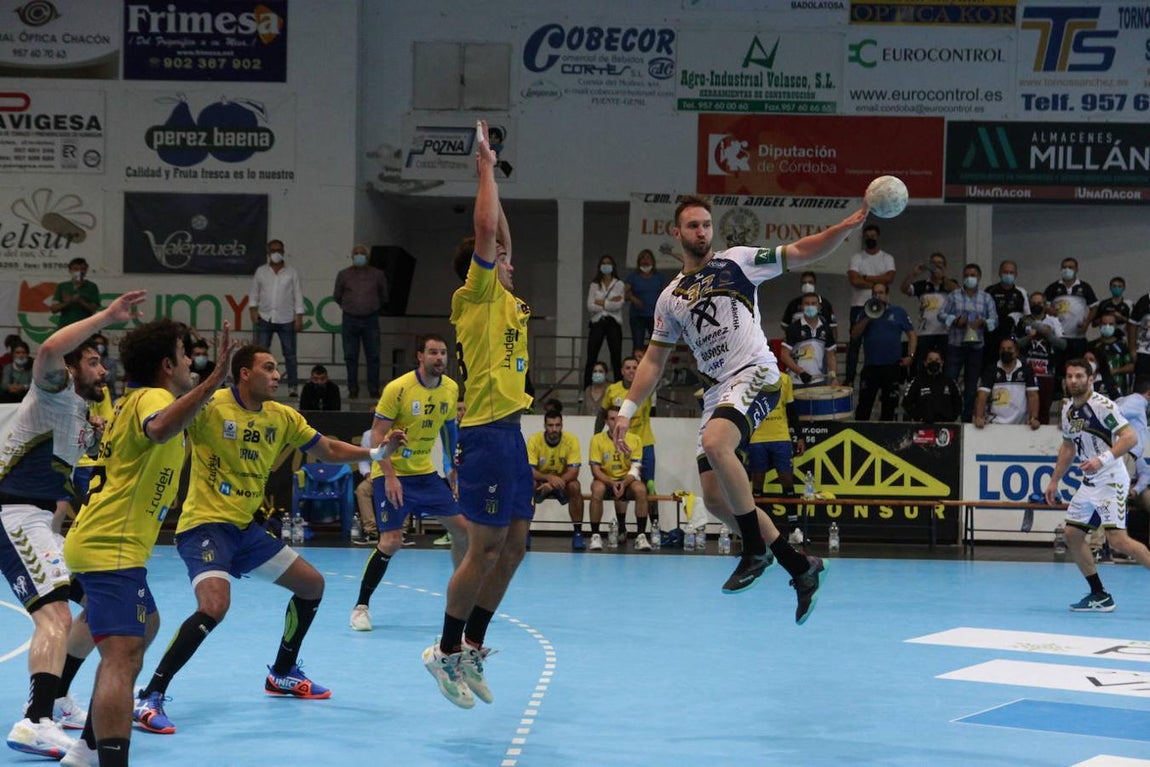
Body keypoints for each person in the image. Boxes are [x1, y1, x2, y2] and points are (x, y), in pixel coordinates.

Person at [614, 194, 867, 623]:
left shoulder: (737, 262)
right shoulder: (670, 297)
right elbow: (654, 361)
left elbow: (803, 249)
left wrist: (841, 230)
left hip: (755, 372)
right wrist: (625, 409)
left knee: (716, 443)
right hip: (717, 392)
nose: (701, 232)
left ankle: (753, 549)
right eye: (692, 225)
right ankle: (800, 567)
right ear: (676, 233)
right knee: (715, 500)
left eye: (706, 224)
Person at [130, 345, 404, 734]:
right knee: (214, 606)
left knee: (312, 586)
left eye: (277, 369)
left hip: (245, 530)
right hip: (204, 526)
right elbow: (166, 424)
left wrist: (376, 452)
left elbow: (326, 448)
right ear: (243, 373)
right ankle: (151, 694)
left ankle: (282, 672)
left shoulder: (282, 416)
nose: (277, 376)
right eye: (269, 368)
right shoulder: (211, 406)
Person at [60, 319, 233, 767]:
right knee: (121, 656)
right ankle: (105, 758)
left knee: (147, 627)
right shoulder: (155, 399)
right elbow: (160, 429)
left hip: (110, 544)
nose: (191, 363)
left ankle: (84, 746)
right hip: (109, 545)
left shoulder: (129, 401)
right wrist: (214, 382)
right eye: (185, 355)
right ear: (165, 364)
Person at [1, 290, 146, 759]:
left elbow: (65, 486)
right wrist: (106, 315)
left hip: (43, 518)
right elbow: (46, 351)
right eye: (93, 362)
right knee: (55, 615)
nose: (103, 370)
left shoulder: (86, 414)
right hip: (15, 512)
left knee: (87, 600)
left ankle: (58, 696)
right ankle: (34, 720)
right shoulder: (53, 389)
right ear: (72, 368)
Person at [422, 120, 533, 710]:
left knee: (515, 546)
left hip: (513, 434)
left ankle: (471, 643)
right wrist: (485, 167)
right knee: (482, 549)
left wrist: (497, 182)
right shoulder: (477, 296)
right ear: (484, 267)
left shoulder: (511, 302)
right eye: (500, 258)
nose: (509, 261)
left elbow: (502, 233)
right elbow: (487, 229)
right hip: (486, 434)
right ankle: (442, 650)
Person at [349, 333, 466, 633]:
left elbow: (449, 430)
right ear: (420, 356)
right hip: (393, 472)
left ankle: (462, 593)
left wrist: (452, 467)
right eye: (433, 353)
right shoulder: (398, 389)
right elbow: (377, 437)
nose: (439, 358)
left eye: (443, 353)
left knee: (464, 532)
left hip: (425, 474)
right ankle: (361, 607)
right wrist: (388, 475)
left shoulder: (451, 389)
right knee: (391, 541)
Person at [1045, 358, 1150, 612]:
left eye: (1079, 376)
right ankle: (1099, 594)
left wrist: (1101, 459)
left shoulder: (1103, 406)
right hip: (1090, 482)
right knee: (1072, 534)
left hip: (1111, 478)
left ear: (1090, 379)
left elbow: (1130, 437)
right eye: (1070, 376)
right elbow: (1068, 448)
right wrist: (1054, 479)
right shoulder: (1068, 409)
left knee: (1118, 541)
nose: (1074, 381)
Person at [939, 263, 998, 422]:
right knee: (950, 382)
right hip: (955, 345)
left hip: (976, 348)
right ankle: (948, 418)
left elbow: (995, 320)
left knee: (971, 386)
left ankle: (966, 419)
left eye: (973, 275)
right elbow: (941, 314)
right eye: (966, 275)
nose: (969, 278)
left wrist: (983, 322)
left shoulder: (986, 298)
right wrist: (955, 320)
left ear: (979, 277)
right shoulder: (954, 295)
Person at [744, 372, 804, 525]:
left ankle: (794, 529)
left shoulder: (784, 379)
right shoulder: (749, 378)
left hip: (781, 437)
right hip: (757, 438)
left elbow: (791, 410)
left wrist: (800, 436)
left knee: (787, 480)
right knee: (757, 482)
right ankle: (758, 529)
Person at [851, 283, 916, 422]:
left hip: (892, 366)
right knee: (864, 406)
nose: (877, 296)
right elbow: (854, 335)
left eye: (880, 293)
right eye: (875, 293)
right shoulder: (864, 312)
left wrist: (910, 356)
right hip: (871, 366)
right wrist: (869, 316)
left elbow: (912, 334)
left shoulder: (898, 311)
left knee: (889, 406)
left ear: (887, 295)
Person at [248, 239, 304, 397]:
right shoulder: (261, 271)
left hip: (286, 318)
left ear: (284, 252)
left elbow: (298, 295)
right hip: (265, 317)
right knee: (260, 355)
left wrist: (299, 316)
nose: (276, 253)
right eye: (273, 250)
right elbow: (254, 292)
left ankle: (293, 387)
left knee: (290, 354)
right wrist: (253, 309)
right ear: (268, 253)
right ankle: (258, 385)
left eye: (279, 250)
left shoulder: (291, 272)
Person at [589, 405, 648, 550]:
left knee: (641, 489)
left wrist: (623, 482)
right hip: (605, 480)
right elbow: (595, 470)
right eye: (611, 419)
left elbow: (636, 467)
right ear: (606, 421)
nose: (615, 423)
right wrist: (611, 482)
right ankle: (595, 536)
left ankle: (641, 536)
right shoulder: (597, 440)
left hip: (627, 480)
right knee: (596, 489)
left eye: (618, 419)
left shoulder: (635, 439)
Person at [333, 243, 388, 399]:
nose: (359, 255)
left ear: (367, 256)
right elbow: (337, 295)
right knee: (350, 356)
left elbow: (384, 296)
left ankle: (373, 390)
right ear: (352, 256)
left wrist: (372, 306)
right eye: (356, 253)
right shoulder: (343, 275)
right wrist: (349, 306)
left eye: (362, 253)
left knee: (374, 356)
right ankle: (353, 389)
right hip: (350, 318)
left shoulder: (378, 274)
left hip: (371, 318)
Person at [844, 223, 895, 386]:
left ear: (877, 237)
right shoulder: (856, 258)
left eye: (873, 236)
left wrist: (866, 278)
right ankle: (850, 378)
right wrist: (878, 280)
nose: (870, 238)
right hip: (859, 305)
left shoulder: (887, 258)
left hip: (881, 306)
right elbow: (854, 280)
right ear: (863, 238)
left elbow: (890, 279)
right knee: (854, 344)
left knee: (876, 341)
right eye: (867, 236)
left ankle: (873, 376)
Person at [527, 403, 584, 550]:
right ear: (545, 426)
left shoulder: (571, 440)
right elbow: (529, 470)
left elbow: (573, 472)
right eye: (550, 425)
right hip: (540, 483)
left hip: (562, 483)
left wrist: (553, 483)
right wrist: (548, 478)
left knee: (575, 486)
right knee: (527, 485)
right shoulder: (534, 440)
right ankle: (525, 533)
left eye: (557, 425)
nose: (554, 429)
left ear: (562, 425)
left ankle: (578, 533)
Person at [900, 251, 955, 372]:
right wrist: (913, 274)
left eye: (940, 263)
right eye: (934, 263)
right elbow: (904, 289)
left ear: (945, 267)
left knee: (946, 366)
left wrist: (942, 278)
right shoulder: (922, 285)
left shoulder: (950, 284)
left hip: (945, 333)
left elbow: (958, 292)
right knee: (923, 365)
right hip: (925, 333)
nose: (937, 266)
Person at [1017, 292, 1066, 424]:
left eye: (1039, 303)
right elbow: (1014, 344)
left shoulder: (1053, 321)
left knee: (1044, 409)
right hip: (1027, 371)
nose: (1036, 306)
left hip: (1046, 372)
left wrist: (1049, 335)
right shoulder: (1023, 321)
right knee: (1025, 408)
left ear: (1045, 305)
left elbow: (1063, 345)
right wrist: (1030, 337)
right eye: (1033, 303)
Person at [973, 337, 1040, 429]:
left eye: (1009, 349)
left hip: (1021, 426)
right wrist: (979, 417)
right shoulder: (990, 370)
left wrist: (1033, 418)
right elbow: (982, 395)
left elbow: (1033, 396)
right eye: (1003, 349)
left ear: (1016, 352)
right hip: (994, 425)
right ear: (999, 352)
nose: (1006, 351)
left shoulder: (1027, 370)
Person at [1044, 257, 1097, 366]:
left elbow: (1094, 307)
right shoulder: (1053, 287)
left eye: (1070, 267)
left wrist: (1087, 323)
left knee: (1078, 366)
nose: (1066, 270)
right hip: (1058, 337)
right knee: (1058, 368)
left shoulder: (1085, 287)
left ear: (1076, 269)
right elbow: (1044, 307)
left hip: (1078, 337)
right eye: (1064, 267)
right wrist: (1049, 311)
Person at [583, 253, 626, 386]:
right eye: (603, 263)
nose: (606, 266)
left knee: (616, 356)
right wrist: (609, 302)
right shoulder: (594, 285)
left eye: (608, 263)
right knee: (591, 356)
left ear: (613, 266)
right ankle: (586, 388)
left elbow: (618, 305)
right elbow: (590, 306)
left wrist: (601, 302)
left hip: (613, 322)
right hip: (597, 322)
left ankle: (620, 386)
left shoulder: (619, 284)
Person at [779, 292, 837, 387]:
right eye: (807, 303)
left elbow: (831, 355)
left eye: (813, 303)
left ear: (819, 307)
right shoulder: (793, 328)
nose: (810, 306)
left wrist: (833, 377)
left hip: (819, 381)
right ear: (801, 307)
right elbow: (784, 355)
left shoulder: (826, 329)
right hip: (796, 382)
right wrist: (800, 372)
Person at [624, 249, 668, 351]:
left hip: (656, 317)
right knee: (638, 344)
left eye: (648, 258)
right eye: (643, 258)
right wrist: (632, 298)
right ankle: (636, 366)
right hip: (637, 316)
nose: (645, 260)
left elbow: (666, 295)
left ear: (653, 261)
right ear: (639, 261)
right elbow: (623, 294)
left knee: (657, 346)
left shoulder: (659, 277)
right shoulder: (633, 277)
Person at [902, 349, 961, 423]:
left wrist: (951, 418)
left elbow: (958, 403)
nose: (934, 362)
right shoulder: (917, 381)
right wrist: (918, 418)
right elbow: (906, 403)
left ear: (942, 363)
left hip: (946, 426)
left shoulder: (950, 381)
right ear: (925, 363)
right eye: (930, 360)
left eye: (937, 360)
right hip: (924, 426)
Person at [984, 260, 1029, 356]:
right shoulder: (990, 291)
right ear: (1000, 273)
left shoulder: (1021, 292)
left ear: (1016, 274)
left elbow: (1028, 316)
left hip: (1013, 338)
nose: (1008, 275)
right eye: (1005, 272)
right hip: (992, 337)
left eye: (1011, 272)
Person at [1088, 311, 1133, 397]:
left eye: (1110, 324)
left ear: (1115, 326)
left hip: (1117, 387)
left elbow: (1131, 366)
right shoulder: (1092, 345)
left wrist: (1115, 371)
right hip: (1096, 389)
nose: (1107, 326)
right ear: (1100, 325)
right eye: (1104, 324)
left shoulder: (1122, 346)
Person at [51, 257, 100, 328]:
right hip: (65, 326)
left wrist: (80, 301)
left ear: (86, 270)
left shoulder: (91, 286)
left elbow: (93, 309)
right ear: (70, 271)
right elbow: (54, 309)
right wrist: (69, 302)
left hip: (85, 327)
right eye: (76, 269)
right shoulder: (63, 286)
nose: (79, 272)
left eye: (82, 269)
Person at [90, 333, 121, 398]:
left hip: (109, 397)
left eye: (102, 344)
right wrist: (105, 373)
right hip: (91, 397)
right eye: (97, 344)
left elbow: (111, 379)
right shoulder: (87, 361)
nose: (99, 346)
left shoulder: (111, 362)